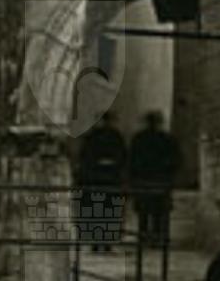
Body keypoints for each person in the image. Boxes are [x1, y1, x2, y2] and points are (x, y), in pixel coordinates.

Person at [128, 109, 181, 261]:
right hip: (160, 179)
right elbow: (175, 159)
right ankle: (157, 237)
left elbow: (132, 160)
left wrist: (134, 177)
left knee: (144, 212)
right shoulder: (166, 139)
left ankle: (144, 237)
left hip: (144, 179)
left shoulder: (139, 139)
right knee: (159, 212)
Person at [75, 110, 126, 254]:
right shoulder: (114, 137)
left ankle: (99, 242)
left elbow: (84, 158)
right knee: (107, 212)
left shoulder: (93, 137)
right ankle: (104, 242)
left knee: (99, 212)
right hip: (107, 180)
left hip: (97, 180)